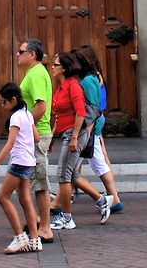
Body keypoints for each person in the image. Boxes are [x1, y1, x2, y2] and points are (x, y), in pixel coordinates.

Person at [0, 82, 42, 253]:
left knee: (2, 197)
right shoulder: (26, 114)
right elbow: (37, 138)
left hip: (19, 162)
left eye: (4, 102)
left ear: (13, 99)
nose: (2, 105)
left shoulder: (16, 117)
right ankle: (34, 239)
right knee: (25, 198)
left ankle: (20, 237)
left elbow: (10, 143)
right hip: (29, 161)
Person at [72, 44, 121, 215]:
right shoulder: (94, 77)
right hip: (93, 124)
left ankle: (109, 198)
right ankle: (114, 198)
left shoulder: (89, 79)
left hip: (90, 125)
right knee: (96, 161)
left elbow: (91, 107)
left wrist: (85, 131)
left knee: (73, 165)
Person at [17, 37, 54, 243]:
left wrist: (25, 126)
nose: (17, 55)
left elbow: (40, 106)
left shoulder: (37, 74)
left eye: (21, 51)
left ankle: (46, 228)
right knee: (31, 180)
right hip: (34, 133)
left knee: (39, 181)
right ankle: (38, 220)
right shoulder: (33, 73)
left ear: (32, 54)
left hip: (36, 134)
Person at [48, 52, 85, 232]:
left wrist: (75, 137)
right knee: (65, 174)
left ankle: (67, 218)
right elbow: (59, 116)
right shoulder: (61, 87)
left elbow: (80, 112)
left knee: (64, 174)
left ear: (64, 68)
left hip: (73, 133)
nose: (52, 68)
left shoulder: (73, 86)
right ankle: (66, 215)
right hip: (65, 133)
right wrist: (53, 137)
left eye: (55, 65)